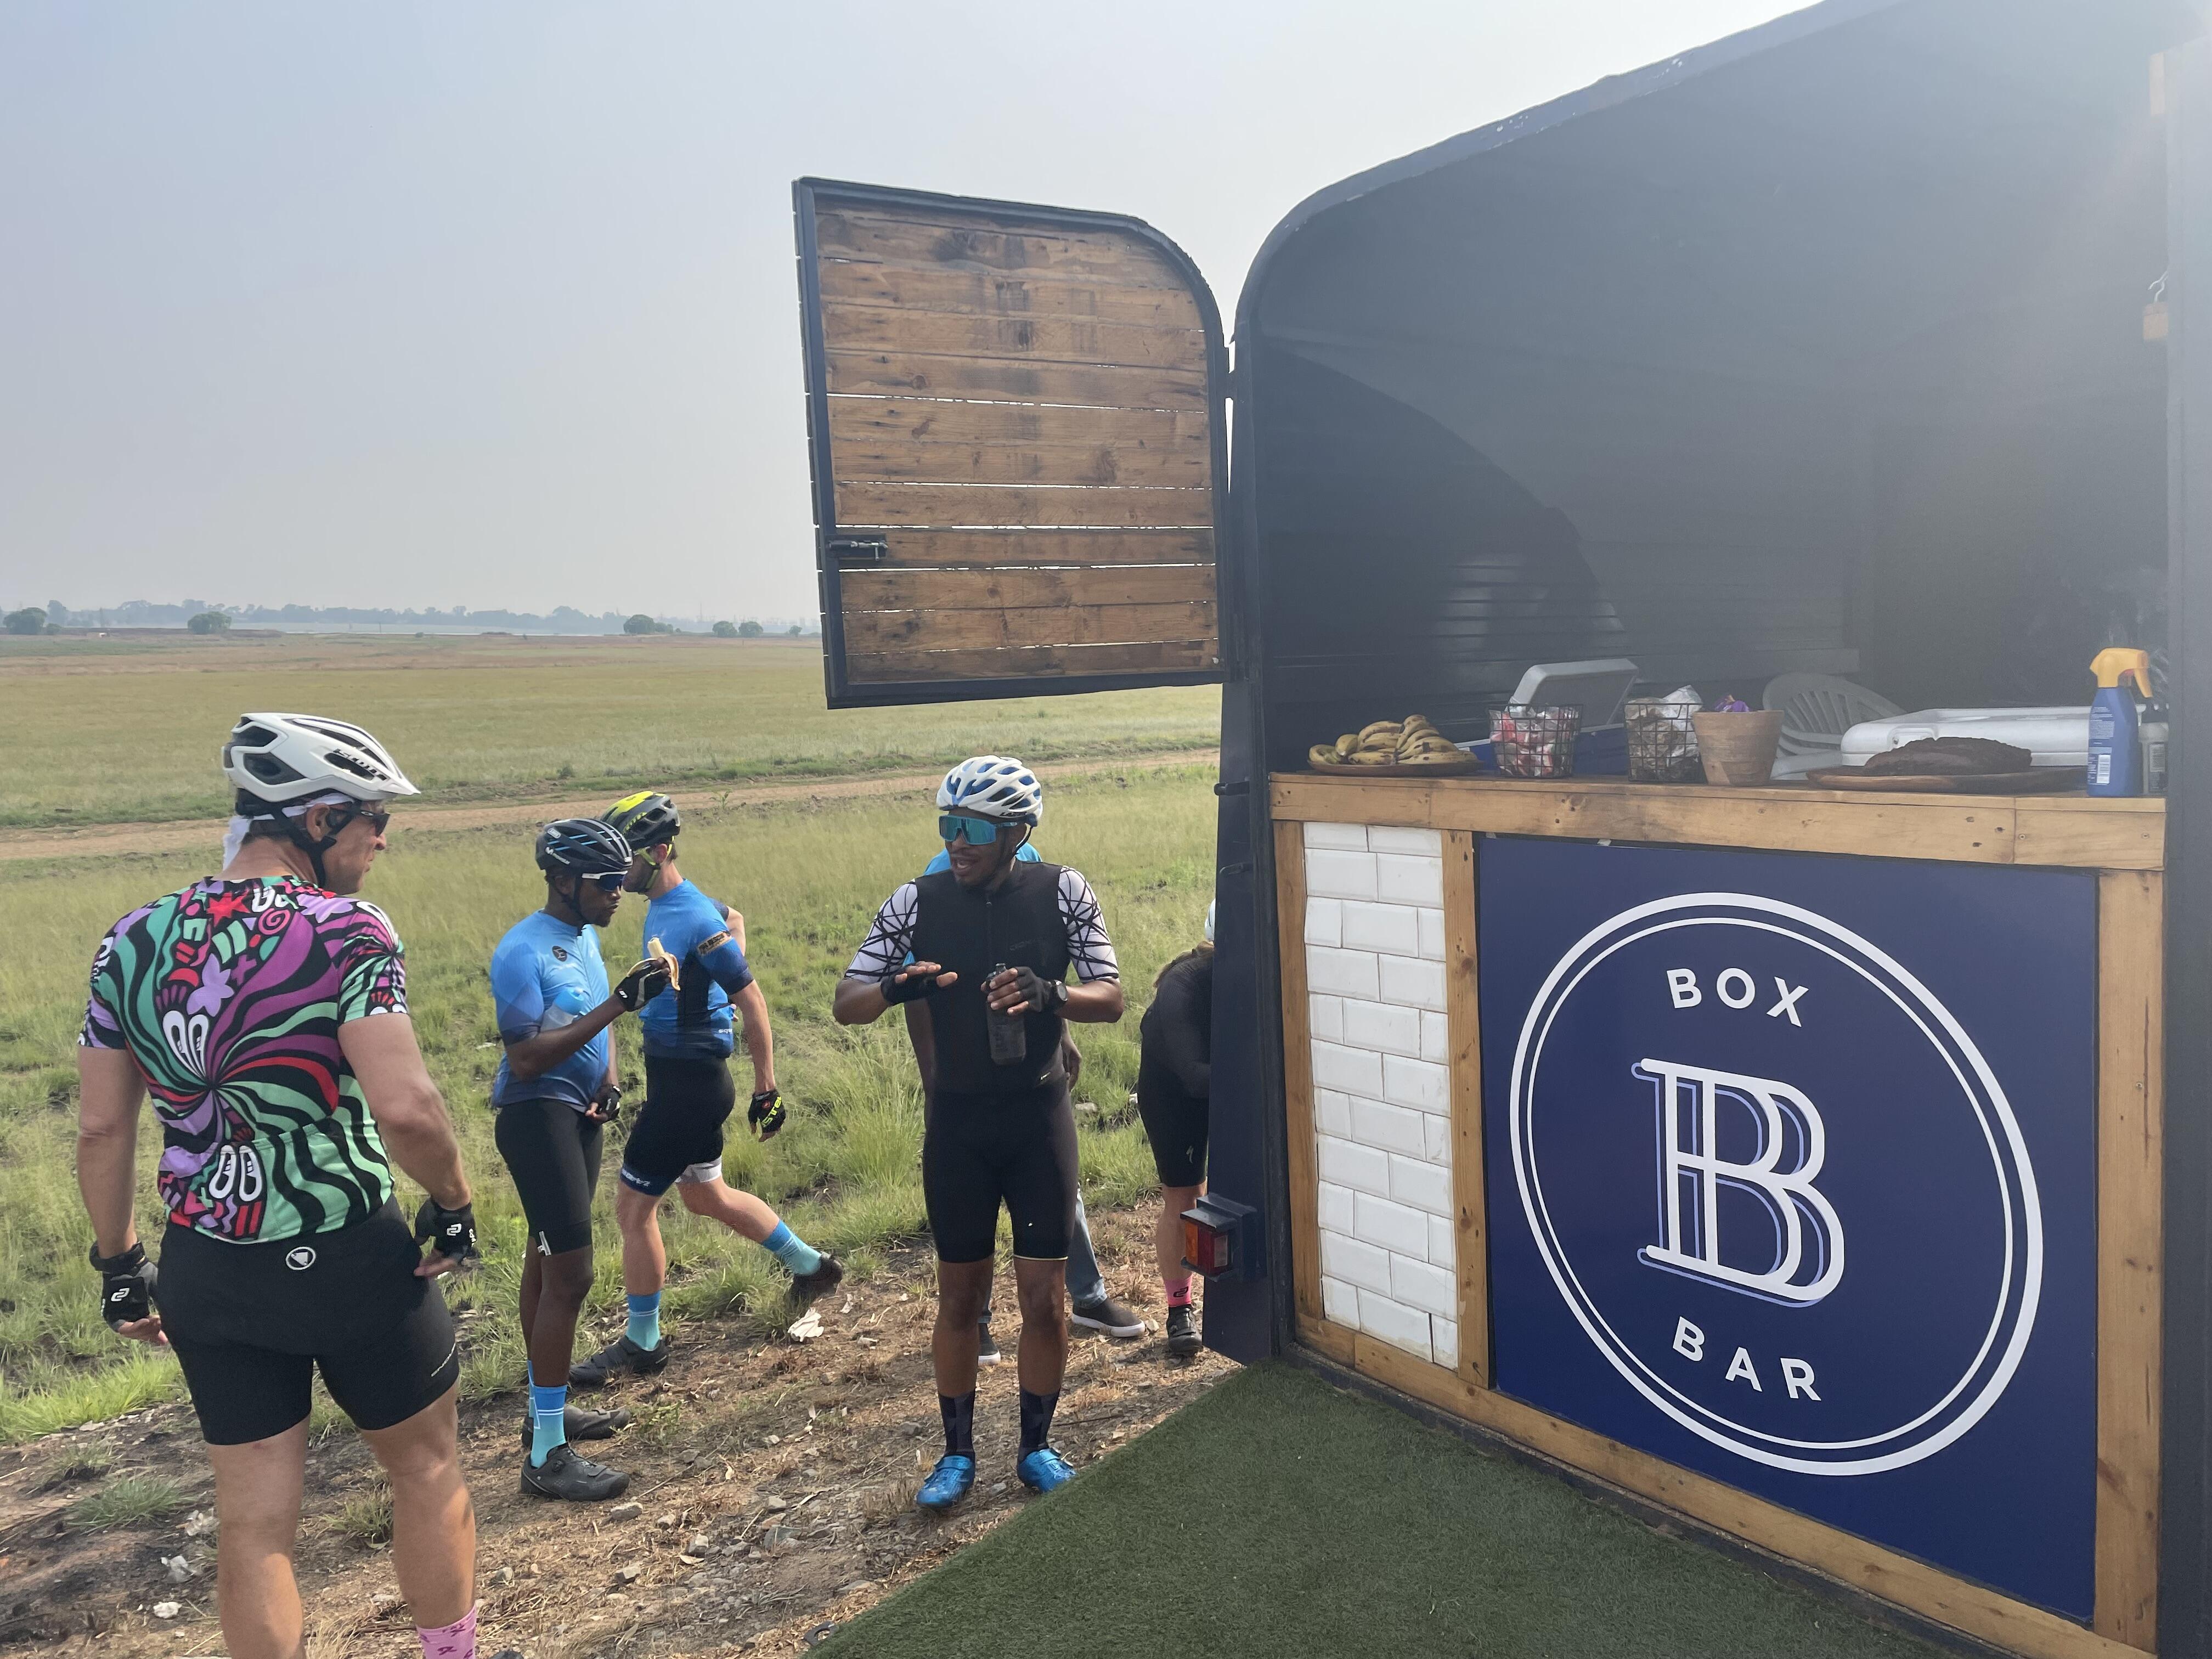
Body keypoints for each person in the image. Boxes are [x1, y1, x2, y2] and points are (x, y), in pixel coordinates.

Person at [77, 713, 482, 1659]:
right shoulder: (346, 929)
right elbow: (409, 1108)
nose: (382, 840)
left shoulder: (130, 938)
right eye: (375, 819)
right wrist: (455, 1203)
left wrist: (121, 1266)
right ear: (319, 818)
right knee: (426, 1470)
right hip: (348, 1249)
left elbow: (101, 1127)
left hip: (210, 1267)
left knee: (254, 1523)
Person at [834, 757, 1125, 1509]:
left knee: (1045, 1299)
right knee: (960, 1300)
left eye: (971, 828)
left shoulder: (1063, 890)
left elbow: (1112, 997)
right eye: (947, 825)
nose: (955, 842)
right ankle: (956, 1454)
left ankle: (1036, 1447)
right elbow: (846, 1002)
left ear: (1016, 833)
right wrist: (895, 986)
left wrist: (1052, 993)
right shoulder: (915, 900)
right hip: (959, 1125)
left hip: (1038, 1122)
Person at [571, 791, 840, 1387]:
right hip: (682, 1080)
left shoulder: (690, 915)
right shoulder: (678, 906)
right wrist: (715, 981)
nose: (616, 871)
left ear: (659, 851)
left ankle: (643, 1344)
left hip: (688, 1088)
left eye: (624, 858)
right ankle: (811, 1266)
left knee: (632, 1209)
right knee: (705, 1197)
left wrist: (767, 1088)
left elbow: (753, 998)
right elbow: (732, 917)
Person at [489, 817, 675, 1501]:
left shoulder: (585, 939)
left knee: (546, 1265)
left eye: (620, 880)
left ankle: (546, 1410)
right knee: (572, 1275)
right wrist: (622, 1004)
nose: (617, 892)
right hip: (535, 1117)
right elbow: (526, 1057)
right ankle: (546, 1455)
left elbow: (595, 1020)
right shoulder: (523, 950)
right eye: (604, 883)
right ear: (562, 881)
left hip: (578, 1115)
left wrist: (610, 1080)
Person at [909, 839, 1142, 1359]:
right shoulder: (940, 881)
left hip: (1032, 1085)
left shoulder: (1038, 869)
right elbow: (920, 997)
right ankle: (979, 1319)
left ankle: (1087, 1298)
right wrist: (934, 1084)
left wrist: (1060, 1035)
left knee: (1056, 1191)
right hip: (967, 1087)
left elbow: (1040, 968)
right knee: (974, 1215)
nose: (962, 838)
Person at [1138, 902, 1214, 1361]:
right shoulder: (1183, 983)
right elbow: (1193, 1076)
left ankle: (1229, 1287)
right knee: (1185, 1199)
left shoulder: (1259, 969)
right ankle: (1180, 1308)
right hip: (1174, 1093)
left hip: (1213, 1078)